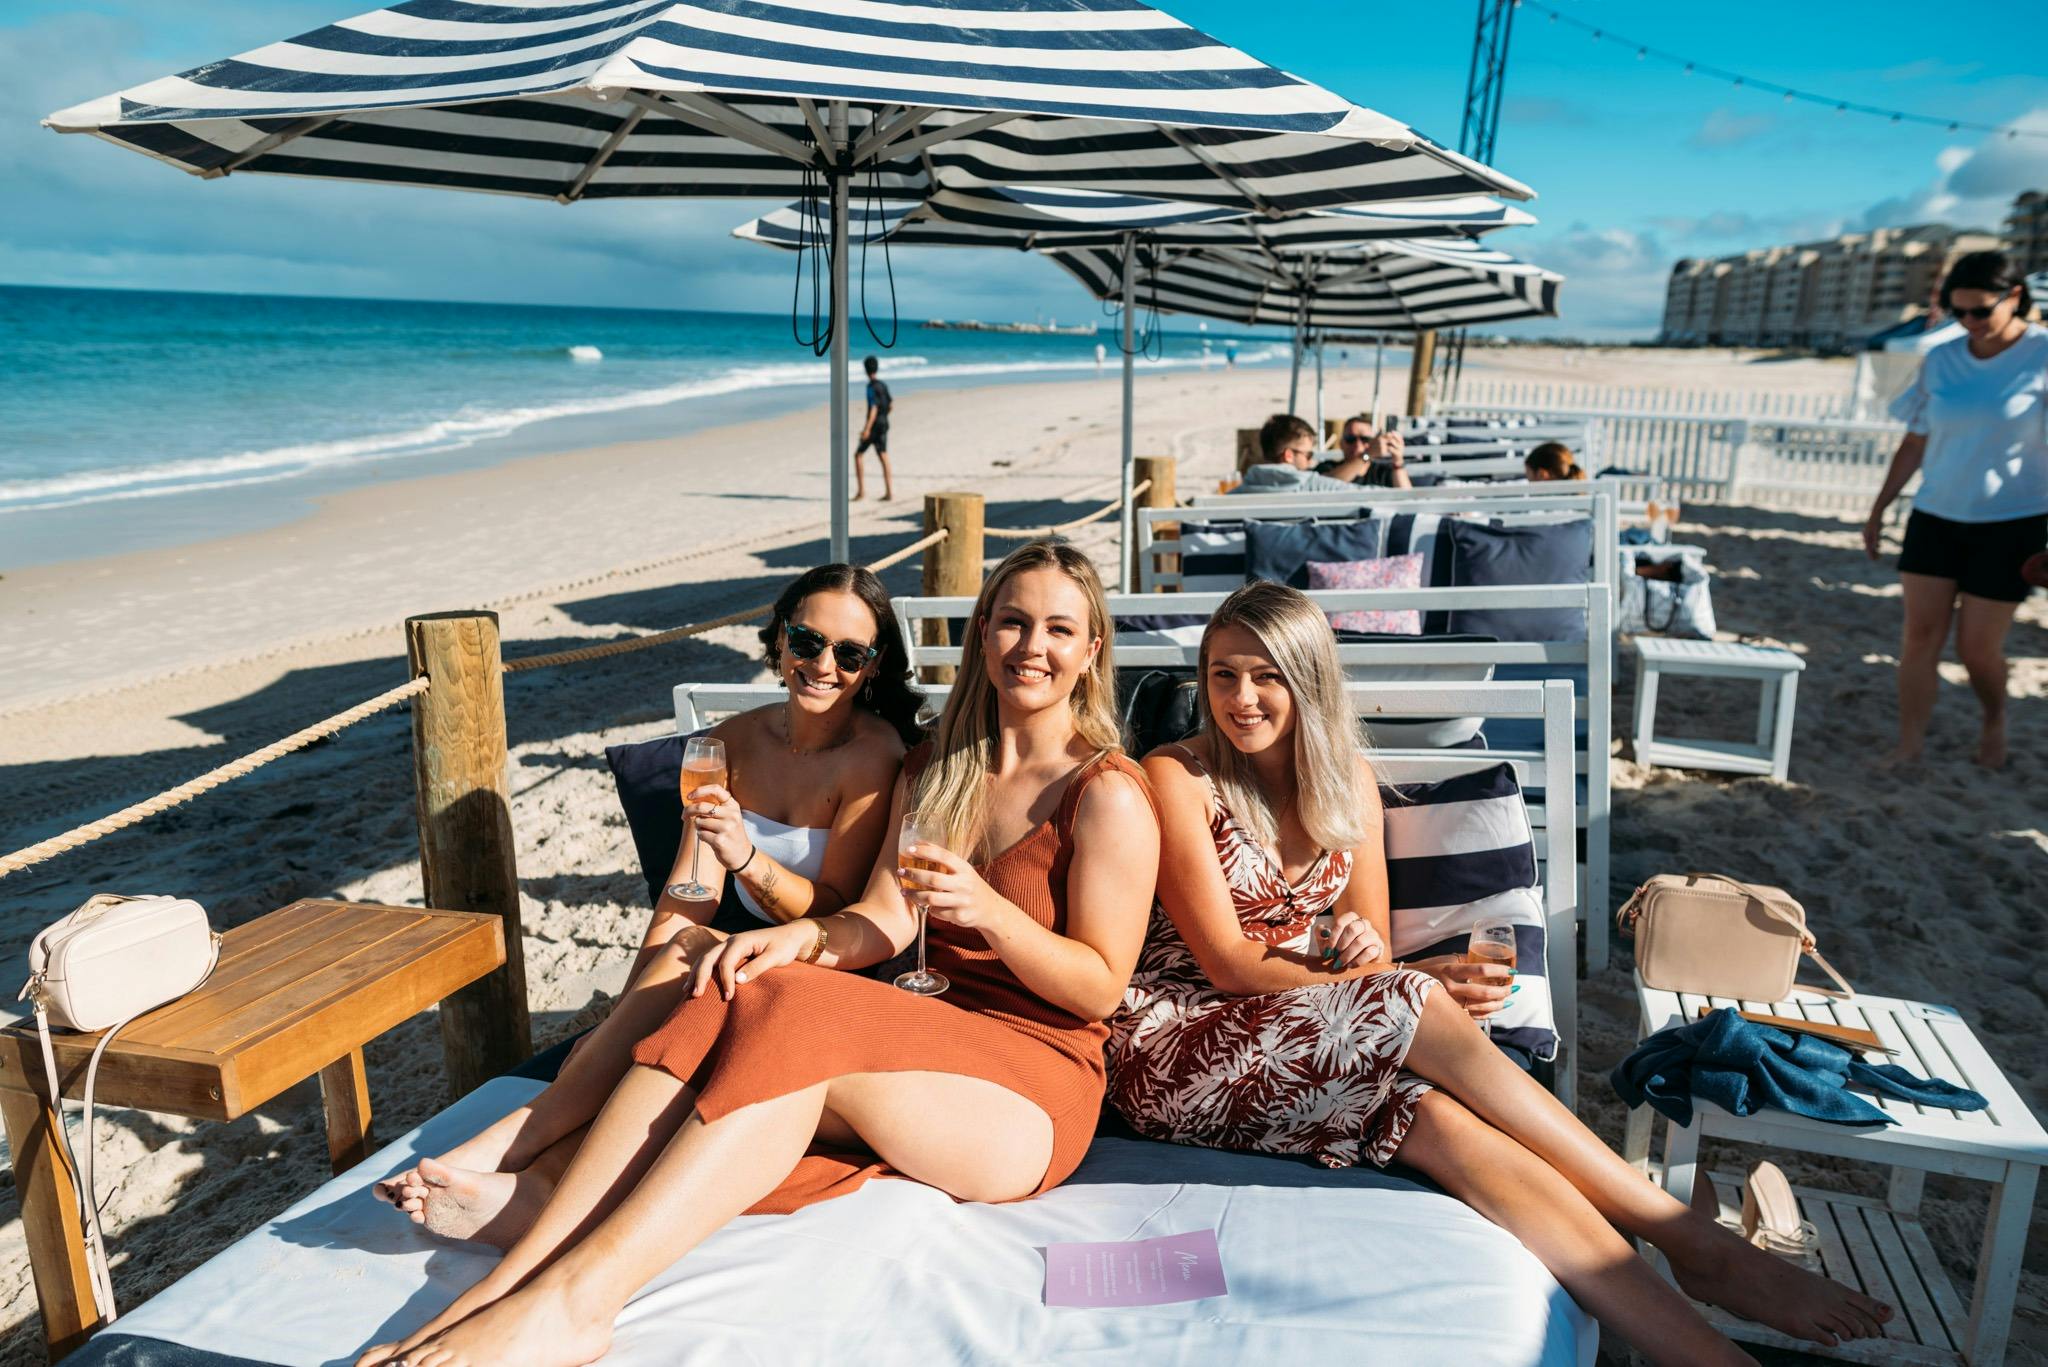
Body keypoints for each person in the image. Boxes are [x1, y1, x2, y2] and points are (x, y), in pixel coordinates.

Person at [356, 542, 1161, 1367]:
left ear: (1093, 647)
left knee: (791, 1007)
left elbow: (1098, 989)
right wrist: (793, 938)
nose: (1033, 646)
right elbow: (882, 919)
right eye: (1014, 622)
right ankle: (518, 1277)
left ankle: (571, 1299)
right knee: (744, 981)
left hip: (1034, 1086)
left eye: (1060, 629)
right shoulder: (938, 766)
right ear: (982, 631)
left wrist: (991, 912)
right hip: (925, 1048)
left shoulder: (1106, 793)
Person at [1110, 582, 1892, 1366]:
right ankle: (1688, 1236)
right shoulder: (1177, 774)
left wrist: (1356, 949)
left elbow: (1374, 952)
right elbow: (1227, 960)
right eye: (1222, 674)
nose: (1242, 697)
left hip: (1302, 1038)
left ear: (1308, 678)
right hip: (1179, 1042)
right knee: (1413, 994)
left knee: (1448, 1128)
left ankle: (1710, 1355)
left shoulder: (1345, 781)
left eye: (1266, 674)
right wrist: (1390, 982)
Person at [373, 563, 921, 1237]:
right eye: (807, 641)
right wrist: (628, 1012)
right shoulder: (731, 743)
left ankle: (518, 1140)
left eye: (849, 653)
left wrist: (747, 857)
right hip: (733, 958)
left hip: (826, 964)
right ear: (779, 637)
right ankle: (526, 1189)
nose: (822, 665)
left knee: (686, 969)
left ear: (873, 665)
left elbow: (835, 906)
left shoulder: (874, 755)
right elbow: (689, 893)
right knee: (651, 1011)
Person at [1862, 250, 2047, 770]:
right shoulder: (1941, 358)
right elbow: (1915, 442)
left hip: (2013, 523)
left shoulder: (2043, 355)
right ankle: (1909, 745)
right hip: (1936, 517)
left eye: (1980, 311)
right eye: (1958, 311)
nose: (1969, 322)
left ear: (2014, 298)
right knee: (1919, 638)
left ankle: (1994, 719)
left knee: (1976, 651)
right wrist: (1878, 510)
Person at [1232, 413, 1359, 494]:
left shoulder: (1238, 494)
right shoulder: (1313, 486)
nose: (1310, 462)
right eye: (1308, 455)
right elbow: (1368, 494)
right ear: (1288, 455)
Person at [1317, 413, 1412, 488]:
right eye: (1350, 439)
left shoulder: (1382, 471)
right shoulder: (1327, 467)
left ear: (1373, 441)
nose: (1357, 445)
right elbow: (1324, 485)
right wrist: (1367, 455)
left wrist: (1398, 460)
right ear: (1341, 444)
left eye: (1365, 439)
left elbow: (1407, 499)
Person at [854, 354, 894, 502]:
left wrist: (867, 429)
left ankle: (861, 491)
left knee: (858, 455)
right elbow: (890, 405)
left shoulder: (871, 387)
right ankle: (889, 491)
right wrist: (884, 417)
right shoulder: (883, 385)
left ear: (865, 370)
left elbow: (873, 408)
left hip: (875, 425)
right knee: (883, 456)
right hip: (884, 423)